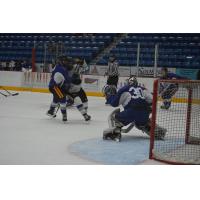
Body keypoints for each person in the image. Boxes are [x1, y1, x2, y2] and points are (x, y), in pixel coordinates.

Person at [103, 76, 167, 142]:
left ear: (128, 82)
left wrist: (109, 97)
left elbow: (114, 103)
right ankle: (155, 130)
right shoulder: (143, 89)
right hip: (144, 114)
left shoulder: (124, 89)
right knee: (141, 123)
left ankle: (115, 133)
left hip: (130, 113)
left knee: (113, 116)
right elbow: (153, 100)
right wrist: (147, 108)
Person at [46, 56, 71, 122]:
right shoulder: (62, 69)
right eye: (65, 61)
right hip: (55, 87)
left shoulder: (57, 67)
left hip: (53, 86)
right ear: (61, 61)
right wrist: (67, 86)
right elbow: (67, 80)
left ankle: (50, 111)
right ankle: (64, 115)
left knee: (56, 99)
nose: (67, 62)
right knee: (62, 99)